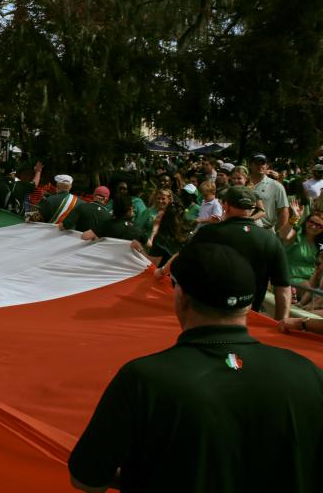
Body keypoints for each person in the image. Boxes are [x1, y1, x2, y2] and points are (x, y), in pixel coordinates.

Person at [68, 242, 323, 493]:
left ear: (182, 296)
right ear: (248, 304)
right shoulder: (308, 373)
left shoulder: (144, 379)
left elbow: (87, 478)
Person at [182, 186, 290, 320]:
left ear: (225, 206)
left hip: (207, 316)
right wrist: (281, 325)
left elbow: (186, 273)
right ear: (252, 209)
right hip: (249, 319)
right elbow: (283, 288)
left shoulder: (207, 233)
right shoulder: (270, 240)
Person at [249, 153, 289, 235]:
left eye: (263, 163)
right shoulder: (243, 183)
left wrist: (281, 233)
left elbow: (284, 211)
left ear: (267, 166)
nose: (260, 166)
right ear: (250, 165)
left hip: (266, 231)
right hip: (245, 229)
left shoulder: (276, 186)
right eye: (256, 163)